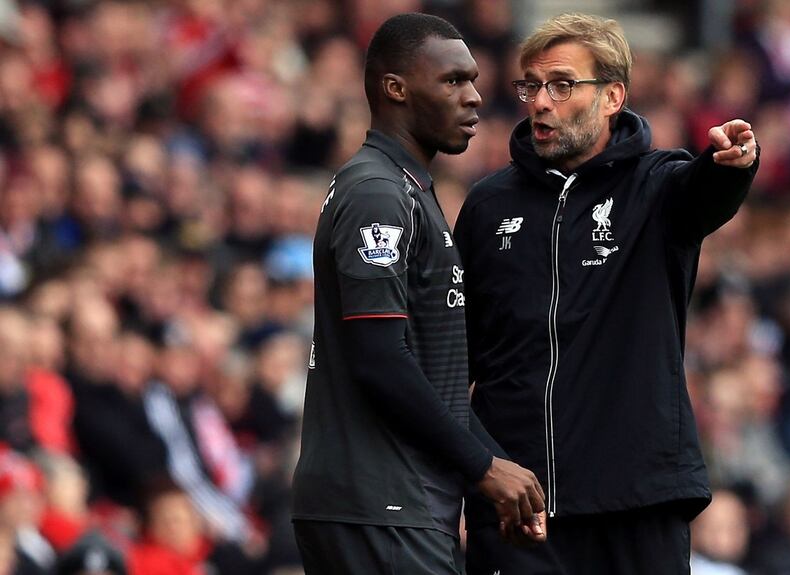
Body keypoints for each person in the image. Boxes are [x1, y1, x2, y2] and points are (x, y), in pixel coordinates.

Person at [454, 13, 759, 575]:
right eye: (531, 86)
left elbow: (705, 193)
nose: (540, 101)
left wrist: (732, 166)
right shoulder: (487, 207)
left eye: (562, 85)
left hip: (637, 505)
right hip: (522, 513)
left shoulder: (659, 186)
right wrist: (482, 467)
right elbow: (453, 360)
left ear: (612, 95)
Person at [290, 13, 545, 575]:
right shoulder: (378, 192)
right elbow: (379, 359)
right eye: (453, 81)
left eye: (473, 80)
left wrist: (497, 470)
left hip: (392, 505)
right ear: (396, 88)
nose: (475, 97)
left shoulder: (405, 189)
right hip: (379, 505)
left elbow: (438, 380)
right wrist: (482, 467)